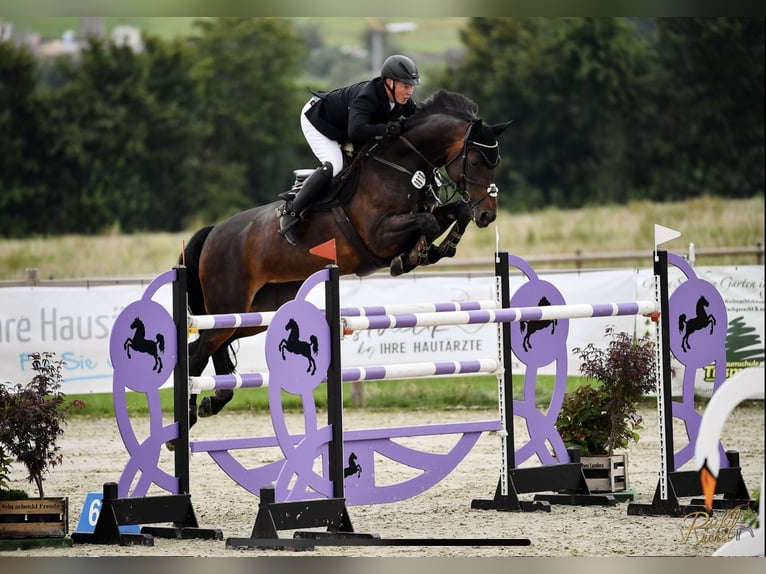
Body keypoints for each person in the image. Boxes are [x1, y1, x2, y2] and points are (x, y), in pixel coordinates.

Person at [278, 54, 421, 245]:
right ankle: (291, 211)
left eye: (411, 86)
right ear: (390, 83)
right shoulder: (367, 96)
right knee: (334, 166)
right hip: (318, 121)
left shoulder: (402, 101)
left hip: (342, 126)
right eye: (405, 86)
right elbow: (356, 131)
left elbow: (419, 118)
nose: (409, 91)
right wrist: (385, 130)